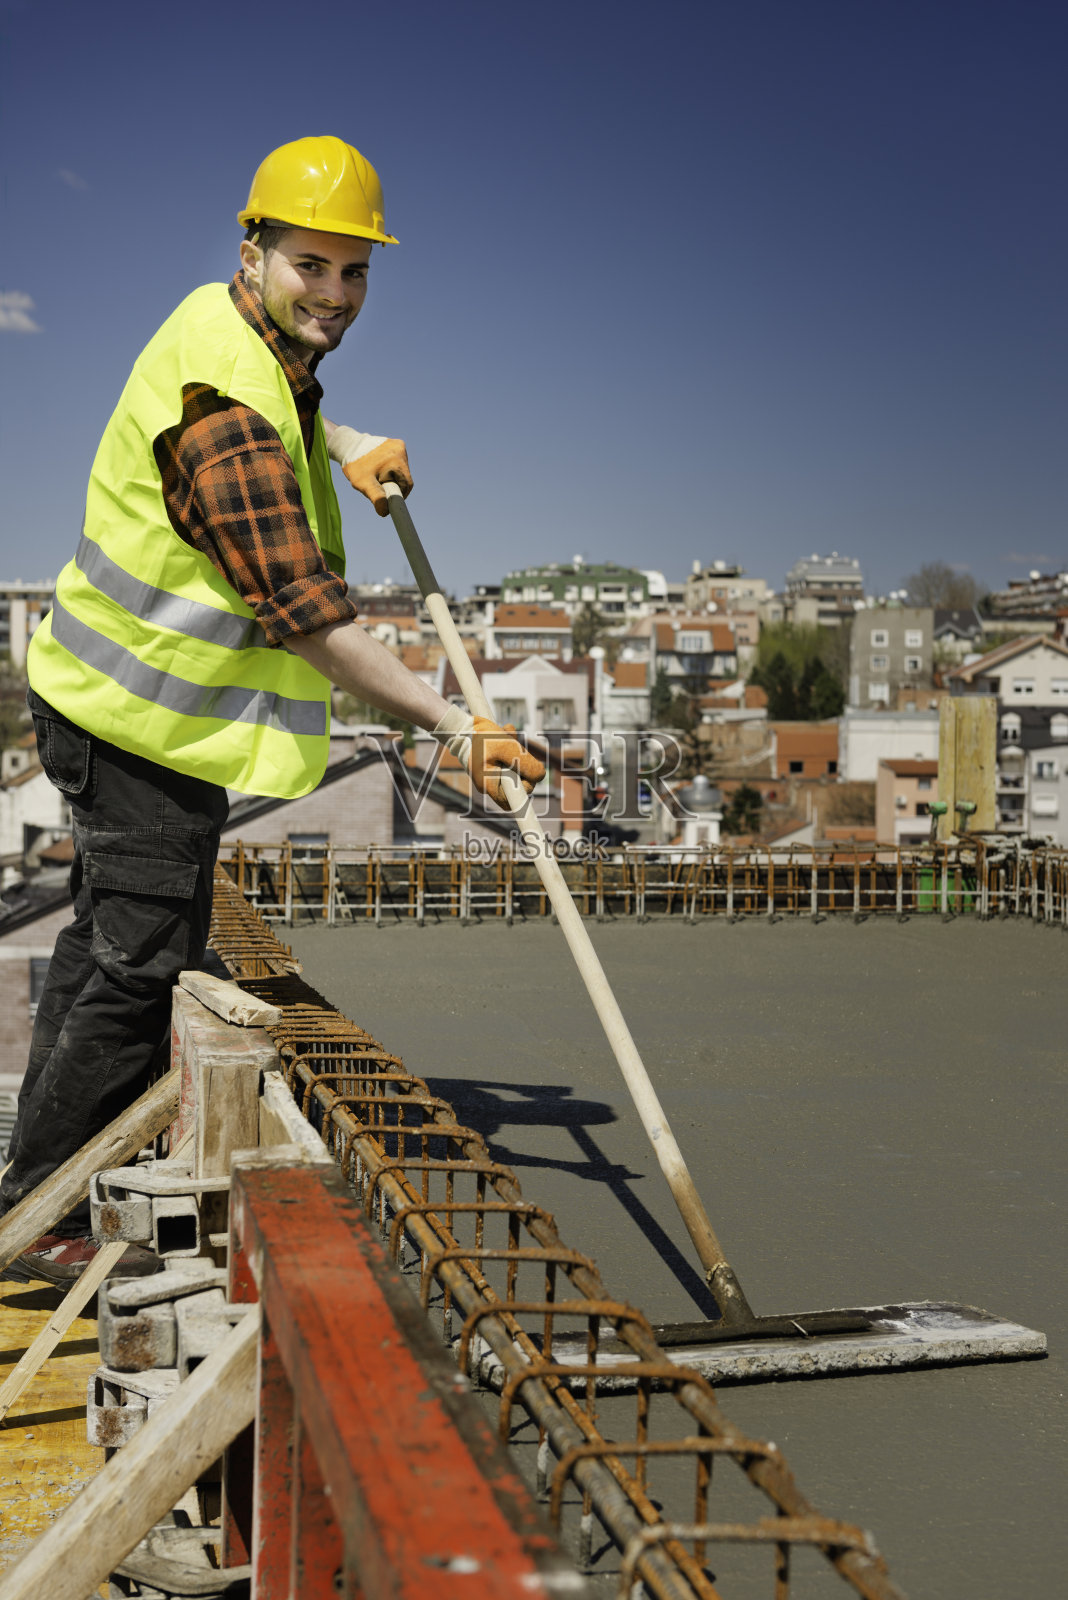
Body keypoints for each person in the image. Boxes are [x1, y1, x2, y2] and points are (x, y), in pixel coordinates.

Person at [0, 136, 544, 1283]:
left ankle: (48, 1184)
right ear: (253, 250)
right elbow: (308, 618)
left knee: (117, 951)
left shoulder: (236, 329)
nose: (337, 296)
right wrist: (458, 726)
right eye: (313, 266)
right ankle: (39, 1214)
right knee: (141, 962)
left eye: (356, 272)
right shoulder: (224, 410)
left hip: (138, 714)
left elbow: (289, 421)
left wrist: (345, 444)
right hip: (127, 724)